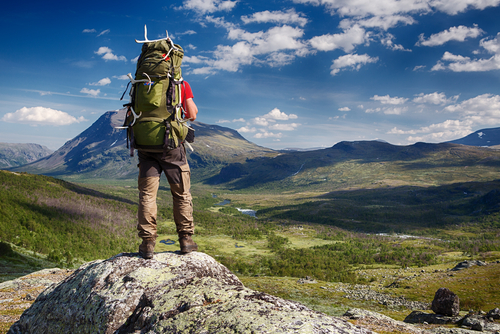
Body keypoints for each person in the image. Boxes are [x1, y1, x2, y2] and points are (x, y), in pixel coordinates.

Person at [137, 81, 198, 259]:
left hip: (146, 147)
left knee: (147, 195)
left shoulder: (141, 82)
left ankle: (147, 243)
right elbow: (192, 114)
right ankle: (186, 240)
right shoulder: (180, 83)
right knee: (181, 194)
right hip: (172, 148)